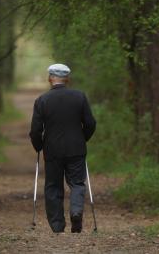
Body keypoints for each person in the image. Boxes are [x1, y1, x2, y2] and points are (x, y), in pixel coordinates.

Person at [29, 63, 96, 233]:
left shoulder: (42, 100)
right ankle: (75, 212)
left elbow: (35, 130)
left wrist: (39, 146)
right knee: (77, 183)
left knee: (53, 186)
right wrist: (83, 139)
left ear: (50, 78)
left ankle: (57, 226)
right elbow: (90, 123)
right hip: (76, 149)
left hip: (52, 150)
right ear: (67, 79)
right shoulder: (79, 97)